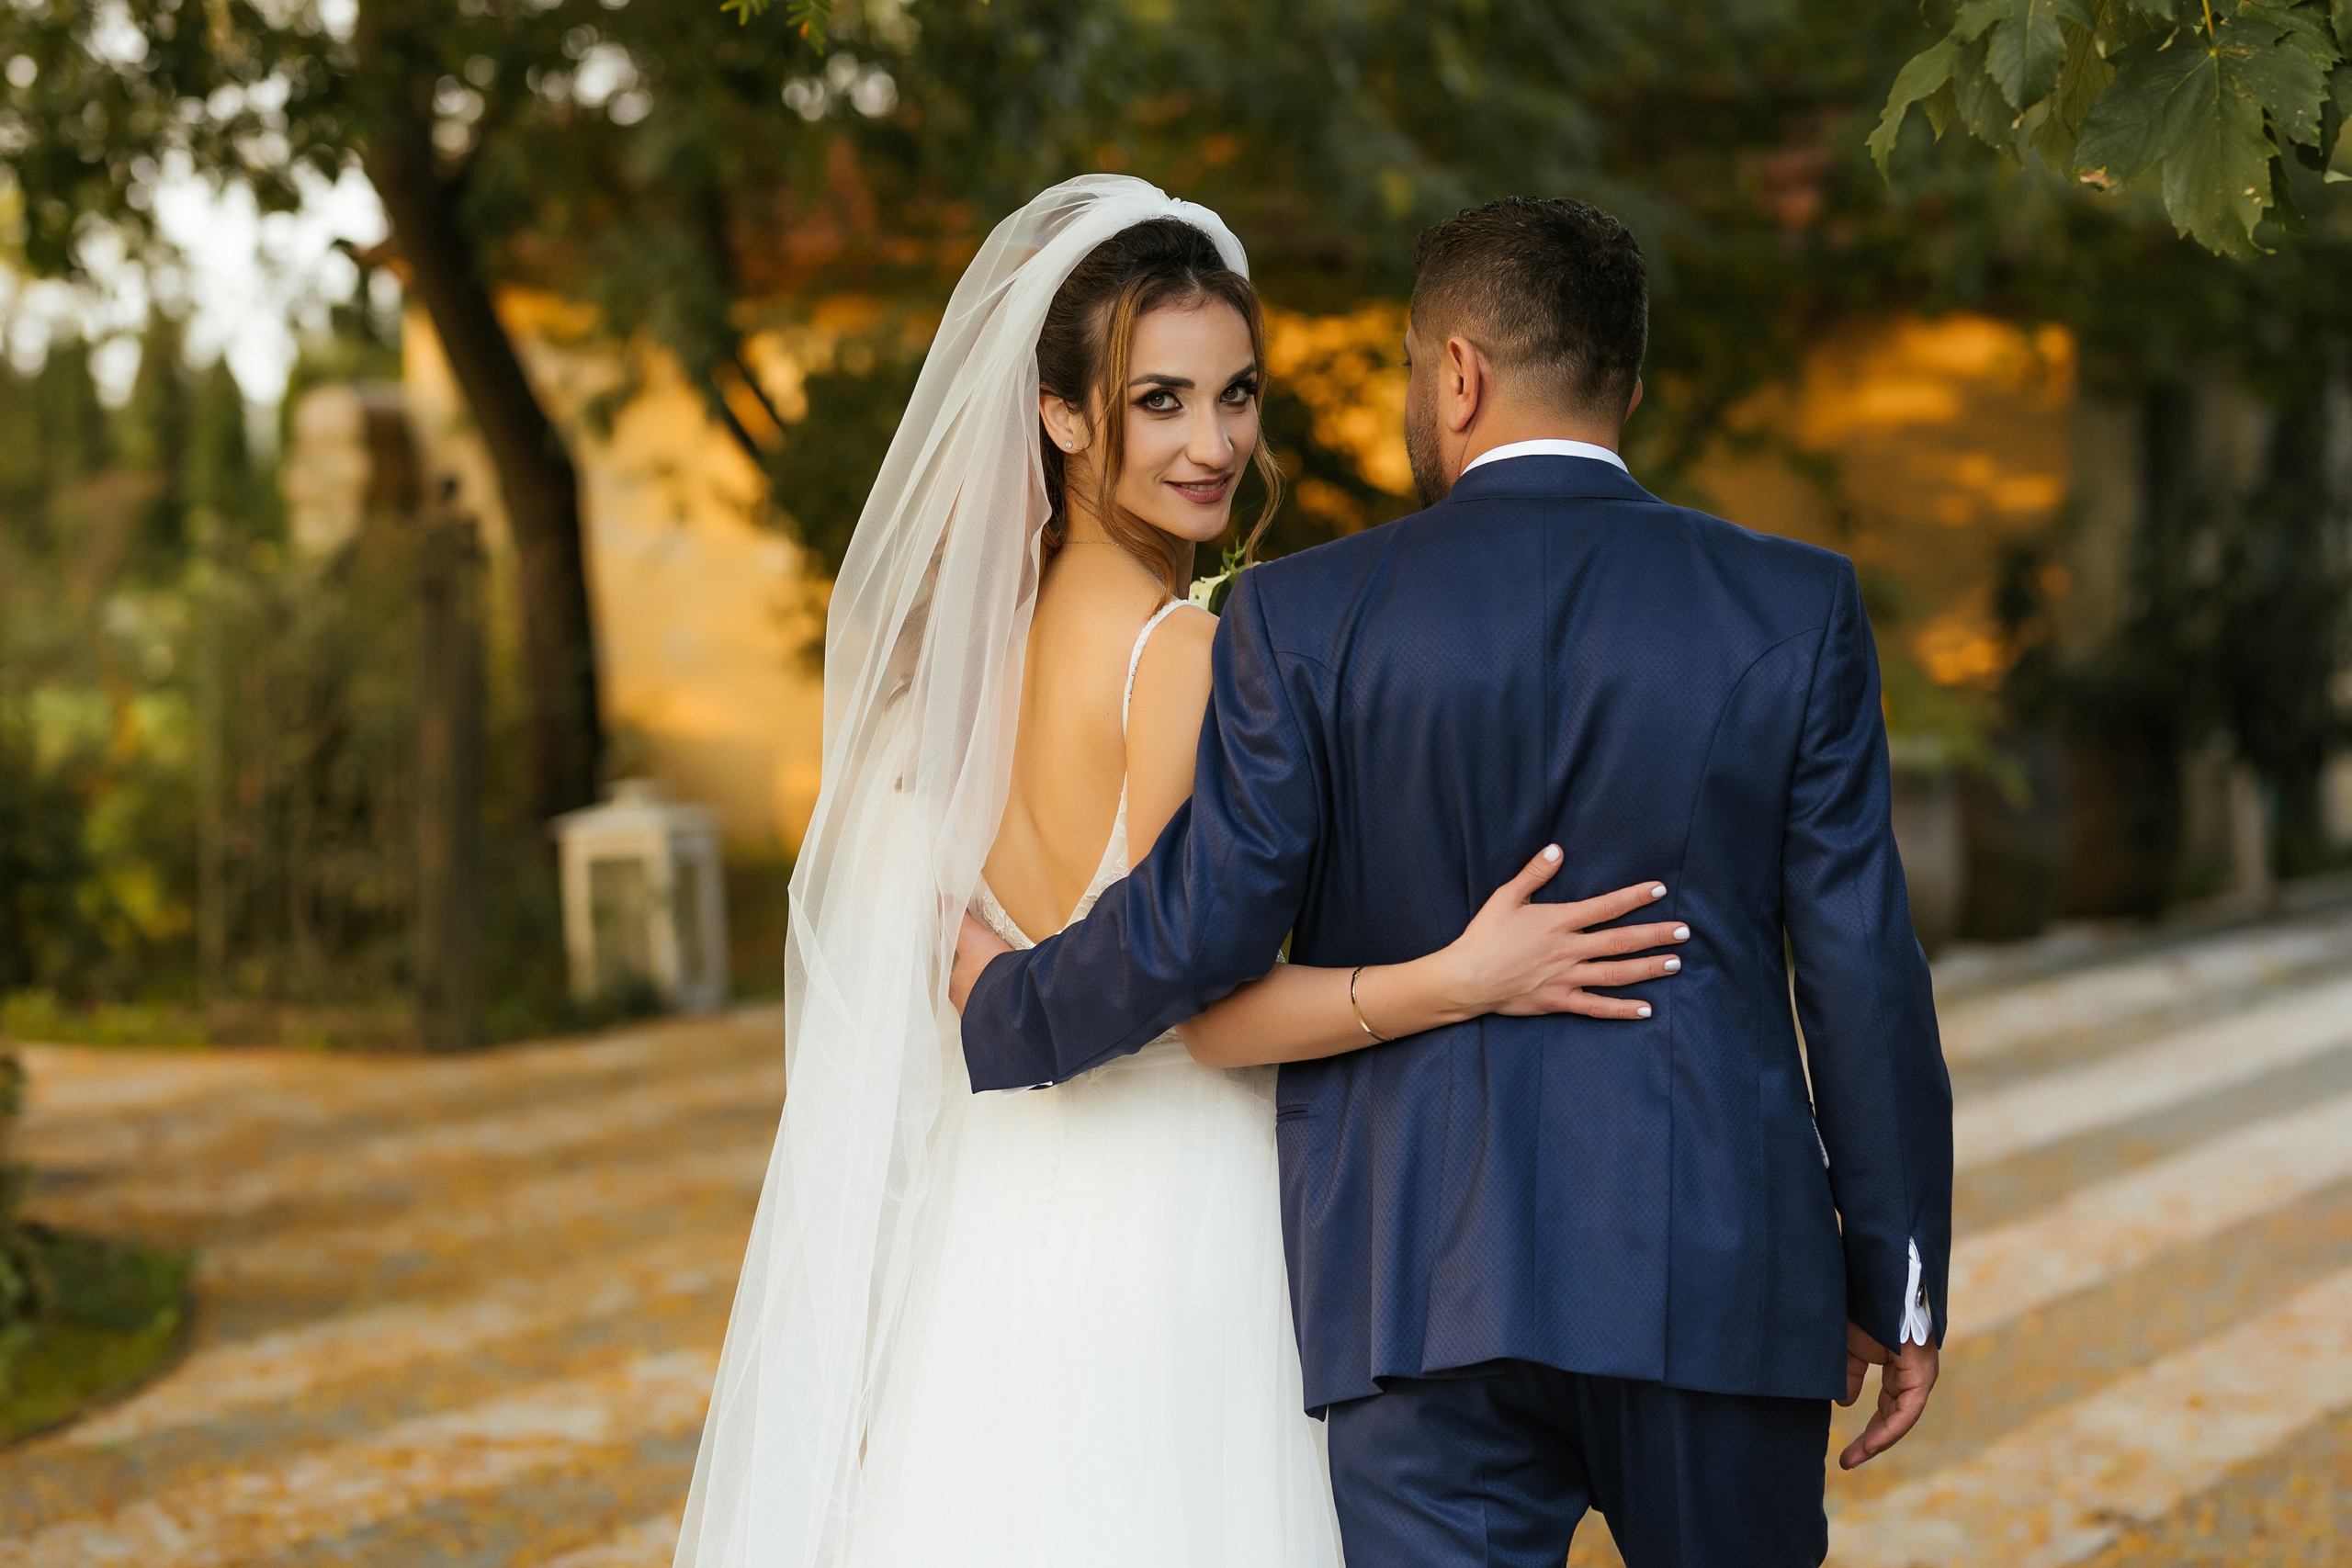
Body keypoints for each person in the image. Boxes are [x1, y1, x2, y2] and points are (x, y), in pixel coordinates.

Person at [673, 176, 1682, 1568]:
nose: (1213, 445)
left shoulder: (948, 680)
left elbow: (964, 962)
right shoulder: (1185, 659)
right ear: (1062, 413)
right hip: (1180, 1228)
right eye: (1160, 402)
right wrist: (1461, 977)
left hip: (997, 1225)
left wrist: (998, 980)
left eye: (1236, 395)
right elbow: (1201, 1011)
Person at [955, 196, 1955, 1568]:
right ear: (1631, 390)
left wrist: (1006, 1009)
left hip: (1416, 1287)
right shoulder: (1794, 608)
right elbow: (1861, 972)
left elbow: (1202, 927)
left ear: (1459, 373)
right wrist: (1894, 1277)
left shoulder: (1298, 618)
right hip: (1714, 1276)